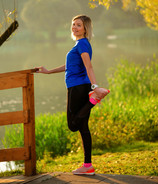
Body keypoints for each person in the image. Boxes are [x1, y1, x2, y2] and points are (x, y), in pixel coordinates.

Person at [36, 15, 110, 175]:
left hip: (77, 87)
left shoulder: (82, 43)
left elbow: (89, 66)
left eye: (79, 25)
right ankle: (88, 165)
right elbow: (69, 65)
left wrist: (95, 87)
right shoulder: (79, 44)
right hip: (79, 86)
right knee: (83, 127)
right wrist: (49, 72)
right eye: (73, 24)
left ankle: (93, 100)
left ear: (85, 29)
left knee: (73, 124)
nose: (75, 27)